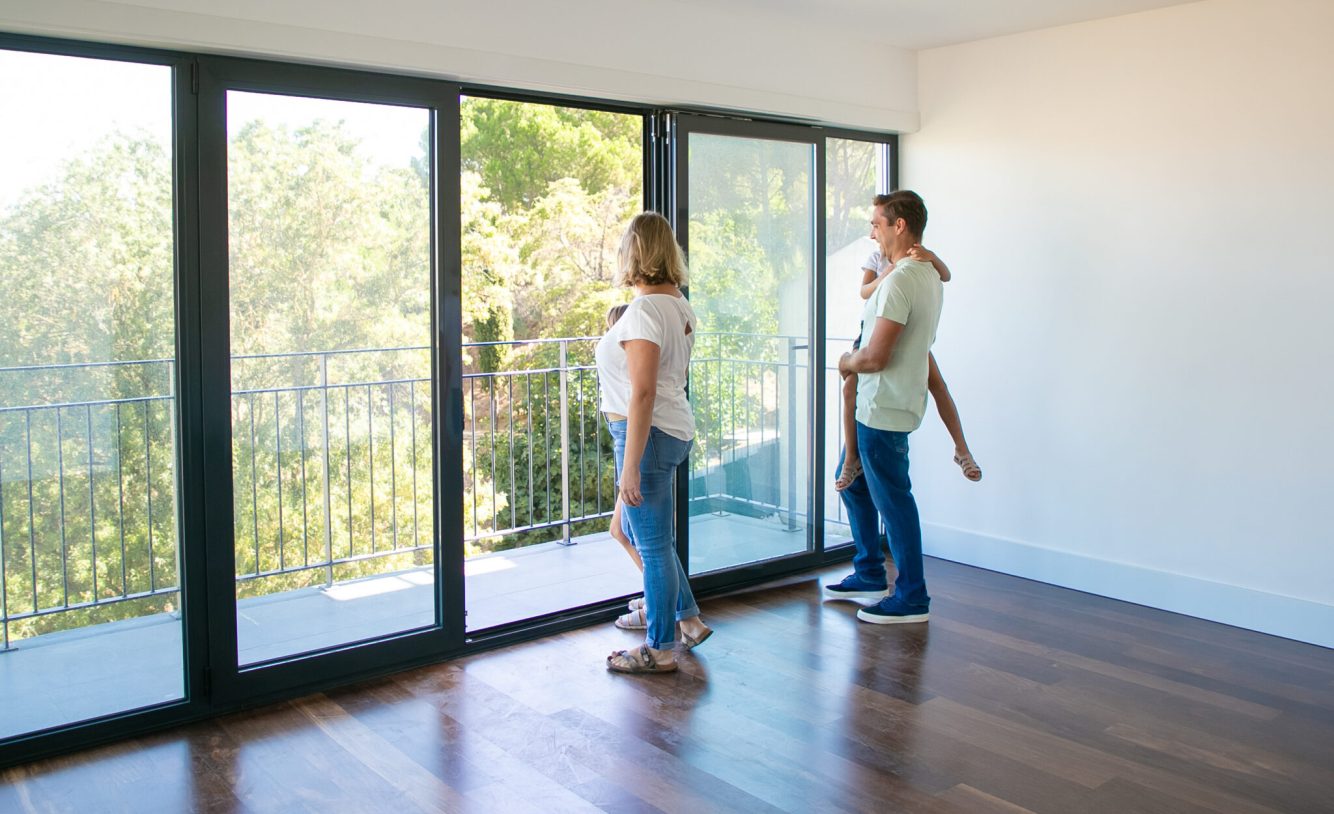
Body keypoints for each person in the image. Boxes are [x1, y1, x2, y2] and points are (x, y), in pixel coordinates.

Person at [595, 212, 712, 672]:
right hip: (670, 427)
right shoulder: (678, 304)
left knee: (653, 546)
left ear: (634, 253)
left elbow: (642, 392)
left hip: (647, 434)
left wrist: (630, 466)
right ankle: (688, 621)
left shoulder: (645, 311)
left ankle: (659, 648)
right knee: (650, 538)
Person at [826, 190, 942, 624]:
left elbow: (875, 357)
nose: (871, 230)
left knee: (895, 504)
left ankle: (912, 596)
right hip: (880, 407)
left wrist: (845, 361)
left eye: (877, 222)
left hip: (882, 409)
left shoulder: (902, 280)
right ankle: (869, 572)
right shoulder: (926, 273)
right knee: (855, 485)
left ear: (899, 225)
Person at [835, 243, 982, 488]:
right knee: (849, 388)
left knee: (939, 387)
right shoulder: (876, 259)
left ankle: (962, 449)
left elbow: (946, 275)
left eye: (877, 225)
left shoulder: (917, 257)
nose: (874, 233)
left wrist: (932, 256)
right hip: (872, 334)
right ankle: (851, 459)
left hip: (908, 334)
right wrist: (889, 273)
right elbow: (864, 291)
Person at [603, 303, 650, 631]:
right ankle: (661, 600)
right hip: (623, 432)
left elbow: (643, 394)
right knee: (621, 530)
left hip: (630, 437)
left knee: (636, 533)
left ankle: (664, 606)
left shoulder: (633, 341)